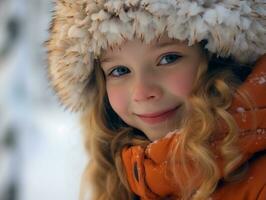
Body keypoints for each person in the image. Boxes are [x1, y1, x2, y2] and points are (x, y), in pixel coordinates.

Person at [46, 0, 266, 199]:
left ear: (220, 58)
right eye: (120, 71)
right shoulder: (125, 182)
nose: (142, 92)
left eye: (168, 58)